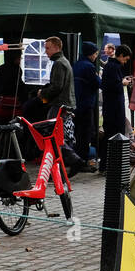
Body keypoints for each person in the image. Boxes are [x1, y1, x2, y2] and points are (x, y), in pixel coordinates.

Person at [34, 36, 88, 170]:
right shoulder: (63, 62)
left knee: (53, 136)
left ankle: (74, 161)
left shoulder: (59, 63)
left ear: (56, 47)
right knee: (58, 137)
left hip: (60, 104)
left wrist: (43, 93)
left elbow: (57, 86)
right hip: (64, 103)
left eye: (48, 48)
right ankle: (62, 169)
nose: (45, 51)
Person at [73, 41, 101, 170]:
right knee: (85, 134)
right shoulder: (89, 67)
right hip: (86, 104)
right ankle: (82, 161)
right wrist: (98, 76)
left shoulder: (77, 64)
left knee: (78, 133)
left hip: (77, 103)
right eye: (95, 53)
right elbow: (98, 83)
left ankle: (77, 158)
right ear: (90, 53)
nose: (96, 56)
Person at [101, 44, 133, 144]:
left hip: (111, 107)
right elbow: (111, 86)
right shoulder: (113, 67)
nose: (125, 62)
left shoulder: (111, 66)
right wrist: (122, 83)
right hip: (114, 108)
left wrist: (123, 80)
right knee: (115, 135)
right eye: (125, 59)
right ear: (121, 55)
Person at [0, 48, 28, 122]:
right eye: (19, 57)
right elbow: (20, 87)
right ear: (14, 57)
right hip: (14, 105)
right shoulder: (18, 69)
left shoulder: (0, 68)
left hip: (1, 102)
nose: (20, 59)